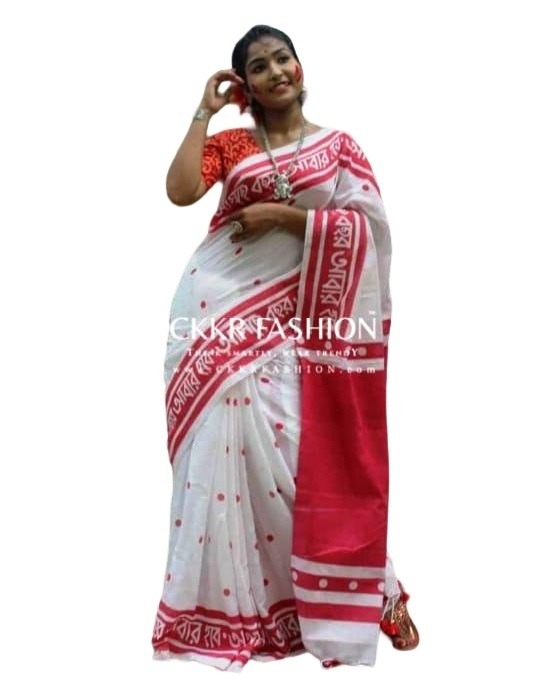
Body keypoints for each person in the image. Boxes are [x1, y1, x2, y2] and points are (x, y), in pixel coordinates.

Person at [151, 24, 419, 672]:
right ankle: (243, 610)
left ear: (300, 67)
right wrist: (204, 111)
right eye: (259, 66)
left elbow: (369, 230)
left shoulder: (339, 147)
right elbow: (181, 191)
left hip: (294, 318)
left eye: (282, 59)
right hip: (214, 308)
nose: (275, 71)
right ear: (245, 85)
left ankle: (373, 587)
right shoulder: (234, 144)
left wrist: (286, 218)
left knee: (304, 446)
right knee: (226, 446)